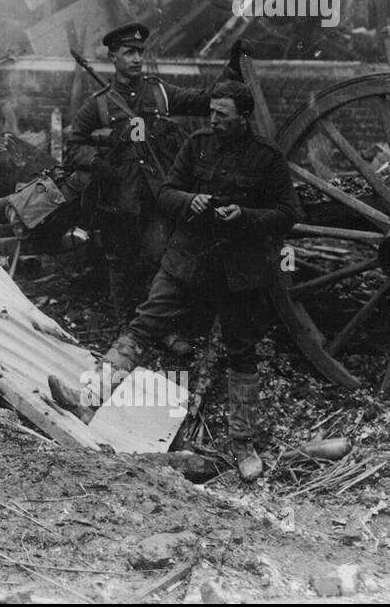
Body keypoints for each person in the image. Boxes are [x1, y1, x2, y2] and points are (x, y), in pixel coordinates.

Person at [68, 80, 302, 481]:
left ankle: (242, 443)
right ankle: (89, 397)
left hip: (238, 268)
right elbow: (165, 193)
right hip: (188, 258)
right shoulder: (196, 144)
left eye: (222, 115)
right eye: (211, 112)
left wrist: (245, 216)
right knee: (144, 324)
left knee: (241, 350)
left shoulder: (267, 158)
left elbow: (288, 212)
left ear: (243, 118)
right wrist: (187, 201)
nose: (213, 120)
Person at [65, 23, 244, 334]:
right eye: (128, 52)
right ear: (113, 58)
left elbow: (204, 100)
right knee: (120, 263)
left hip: (158, 195)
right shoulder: (100, 103)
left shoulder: (159, 92)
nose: (136, 59)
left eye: (139, 53)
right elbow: (73, 145)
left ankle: (161, 329)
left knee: (160, 261)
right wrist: (96, 163)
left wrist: (231, 67)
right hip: (118, 198)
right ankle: (126, 330)